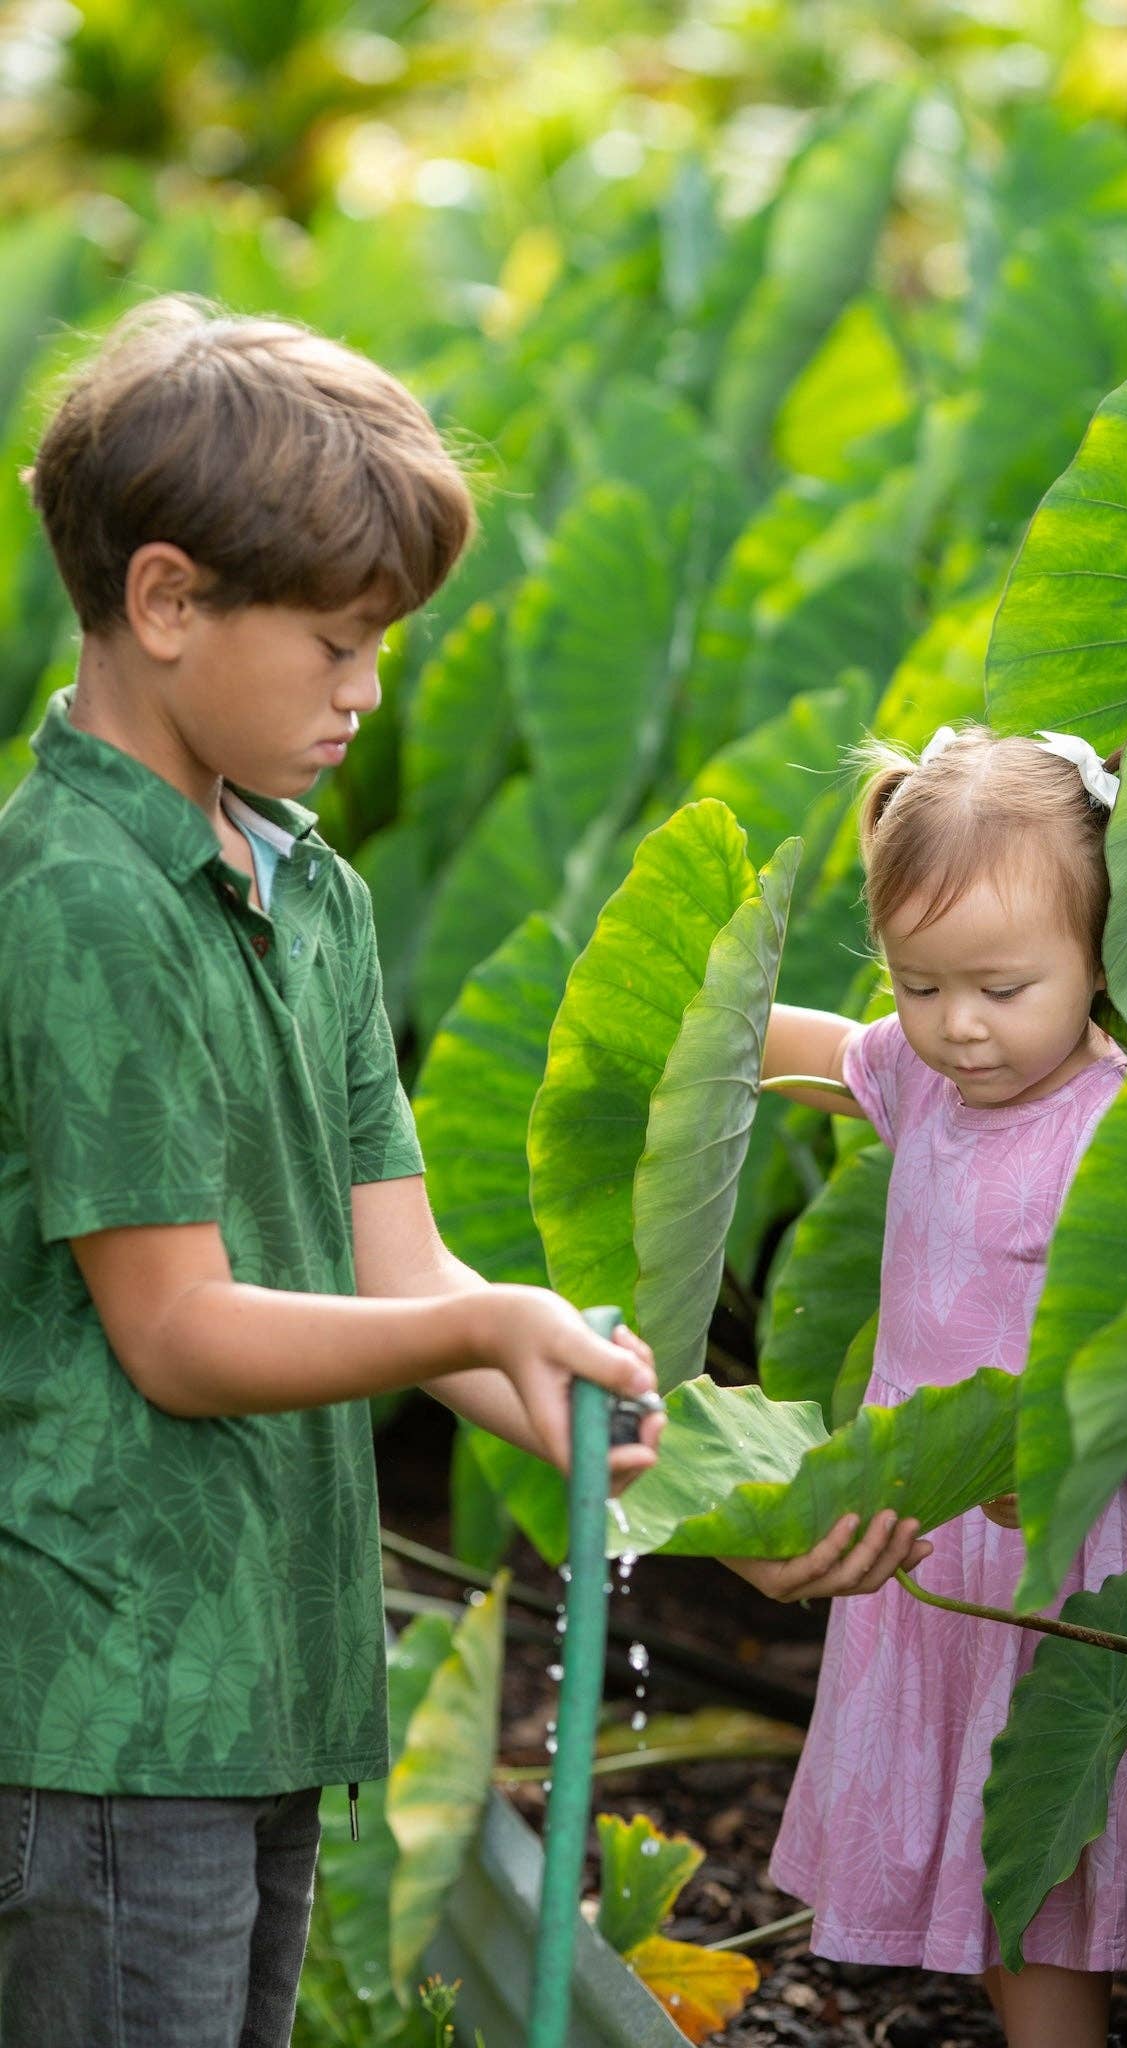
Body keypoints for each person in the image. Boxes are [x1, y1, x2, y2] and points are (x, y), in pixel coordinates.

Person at [0, 296, 662, 2048]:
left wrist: (550, 1370)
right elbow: (179, 1334)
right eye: (337, 645)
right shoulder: (79, 901)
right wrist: (478, 1328)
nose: (370, 694)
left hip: (272, 1665)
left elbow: (401, 1273)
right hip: (113, 1691)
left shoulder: (311, 890)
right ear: (163, 600)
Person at [725, 723, 1127, 2048]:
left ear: (1098, 955)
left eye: (1001, 986)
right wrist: (690, 1011)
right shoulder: (921, 1076)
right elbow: (811, 1046)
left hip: (1049, 1552)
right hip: (924, 1548)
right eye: (918, 982)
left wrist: (1053, 1464)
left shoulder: (1116, 1124)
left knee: (1046, 1896)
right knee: (985, 1889)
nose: (957, 1026)